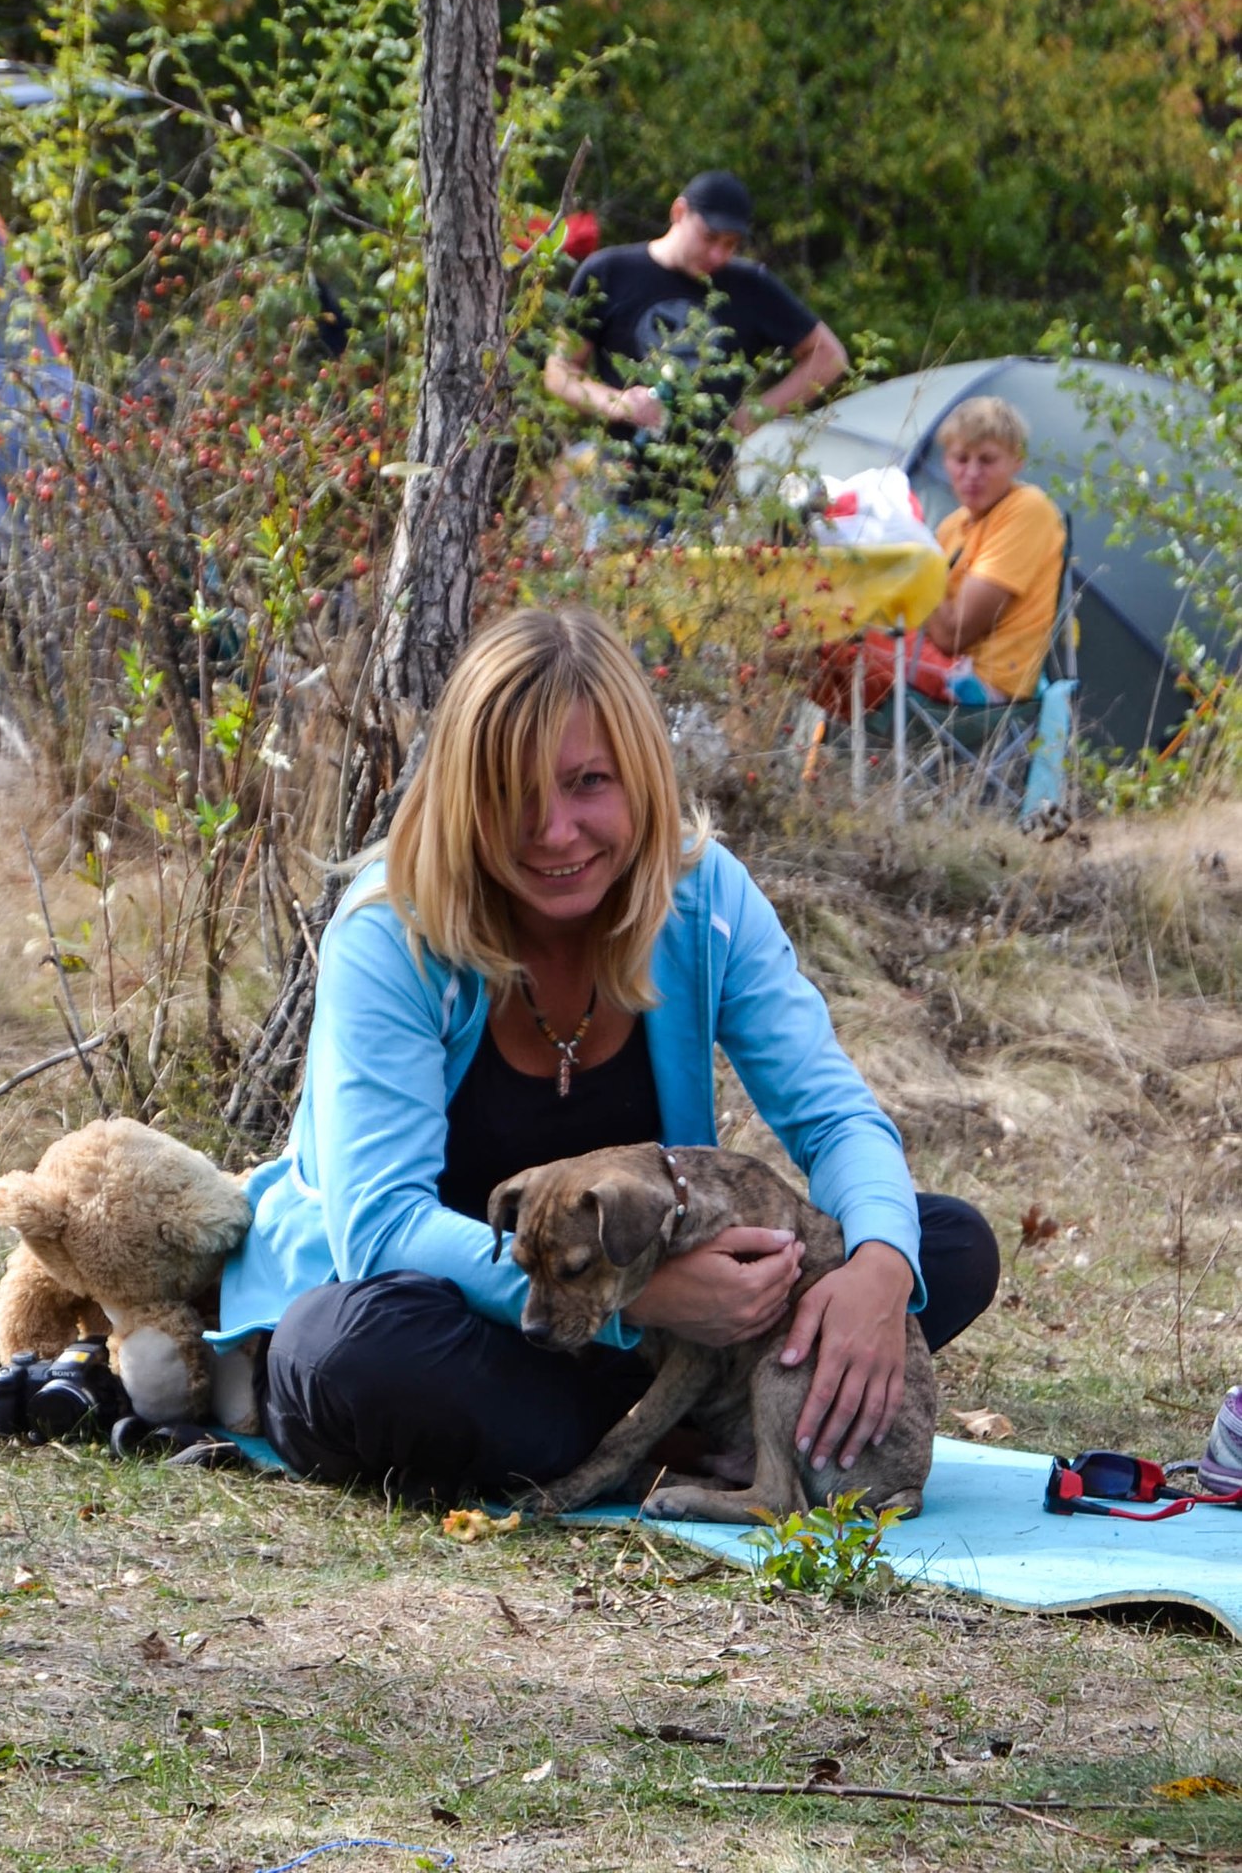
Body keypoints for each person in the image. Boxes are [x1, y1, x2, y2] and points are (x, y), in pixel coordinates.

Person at [214, 606, 998, 1502]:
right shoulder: (393, 929)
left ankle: (646, 1425)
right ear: (463, 795)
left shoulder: (701, 899)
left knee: (943, 1242)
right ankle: (691, 1429)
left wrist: (878, 1276)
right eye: (512, 792)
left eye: (588, 782)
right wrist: (641, 1301)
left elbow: (835, 1118)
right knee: (353, 1353)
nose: (553, 832)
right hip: (444, 1305)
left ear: (643, 781)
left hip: (637, 1328)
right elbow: (380, 1227)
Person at [543, 171, 847, 505]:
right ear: (678, 213)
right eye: (709, 237)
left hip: (705, 501)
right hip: (618, 495)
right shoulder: (608, 272)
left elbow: (829, 356)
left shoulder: (751, 286)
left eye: (730, 244)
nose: (718, 255)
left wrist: (757, 413)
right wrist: (617, 403)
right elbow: (559, 372)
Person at [812, 396, 1065, 716]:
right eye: (961, 459)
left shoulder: (1028, 508)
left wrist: (909, 553)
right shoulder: (952, 526)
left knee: (818, 639)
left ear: (1017, 461)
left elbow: (952, 634)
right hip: (935, 661)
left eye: (987, 460)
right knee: (800, 635)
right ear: (946, 461)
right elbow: (923, 615)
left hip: (977, 683)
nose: (972, 473)